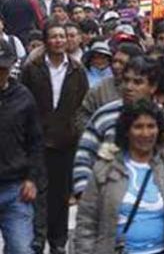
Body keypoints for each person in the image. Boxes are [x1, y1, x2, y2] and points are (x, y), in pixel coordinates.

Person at [73, 100, 164, 254]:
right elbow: (86, 224)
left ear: (159, 130)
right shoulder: (104, 169)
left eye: (151, 126)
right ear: (126, 131)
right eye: (138, 127)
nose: (145, 133)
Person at [21, 21, 89, 254]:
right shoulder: (33, 68)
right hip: (38, 140)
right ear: (46, 40)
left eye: (63, 36)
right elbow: (24, 100)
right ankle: (38, 239)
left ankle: (58, 241)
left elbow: (81, 103)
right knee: (39, 193)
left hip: (65, 141)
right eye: (54, 36)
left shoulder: (77, 70)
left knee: (61, 194)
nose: (59, 40)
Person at [73, 57, 162, 196]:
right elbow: (84, 156)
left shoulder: (163, 119)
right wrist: (84, 194)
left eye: (137, 82)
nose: (129, 87)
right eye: (126, 80)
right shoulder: (104, 115)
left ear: (153, 87)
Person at [0, 39, 43, 254]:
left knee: (21, 249)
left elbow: (35, 142)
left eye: (3, 69)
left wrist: (32, 179)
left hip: (14, 188)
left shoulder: (23, 97)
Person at [77, 42, 144, 134]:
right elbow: (83, 117)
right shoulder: (99, 89)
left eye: (121, 63)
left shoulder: (146, 87)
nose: (116, 66)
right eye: (114, 61)